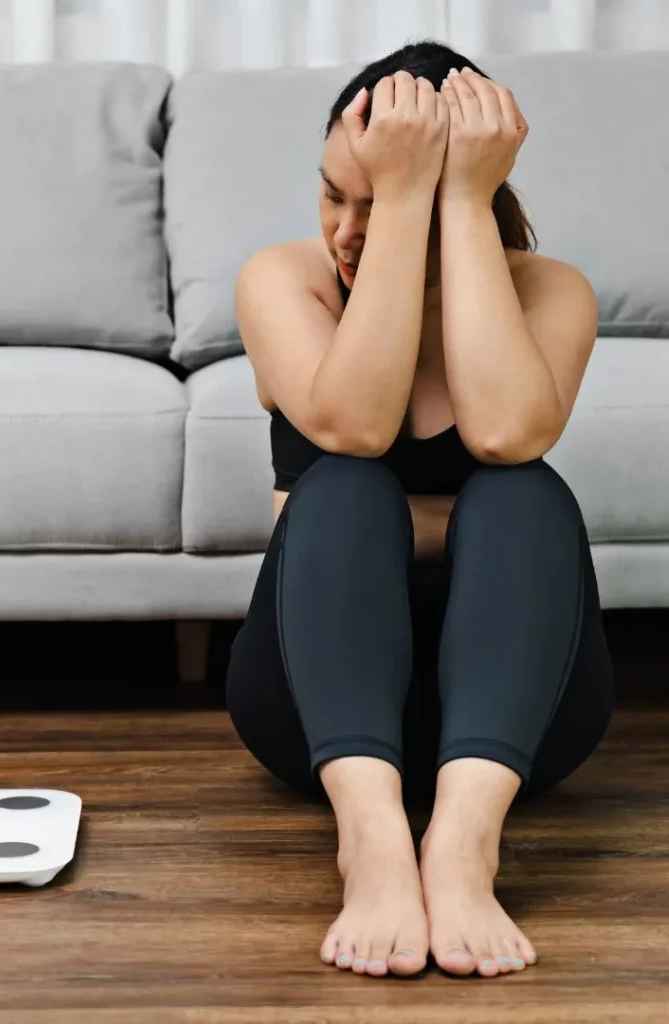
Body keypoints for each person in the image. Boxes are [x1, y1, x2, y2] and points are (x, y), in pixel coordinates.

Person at [225, 40, 615, 980]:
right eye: (335, 195)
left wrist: (458, 202)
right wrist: (403, 203)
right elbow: (353, 431)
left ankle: (465, 846)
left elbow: (507, 435)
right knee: (346, 488)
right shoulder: (286, 282)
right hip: (319, 708)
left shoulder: (550, 292)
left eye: (382, 198)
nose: (347, 232)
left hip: (522, 722)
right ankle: (371, 842)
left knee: (524, 492)